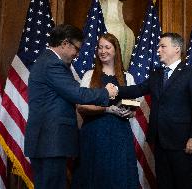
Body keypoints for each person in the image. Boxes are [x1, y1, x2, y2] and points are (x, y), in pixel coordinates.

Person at [24, 24, 117, 189]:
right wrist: (105, 92)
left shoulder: (50, 62)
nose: (76, 54)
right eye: (76, 48)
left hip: (47, 142)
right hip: (50, 142)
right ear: (65, 43)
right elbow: (77, 93)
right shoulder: (52, 64)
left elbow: (74, 89)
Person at [117, 32, 192, 189]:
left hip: (182, 142)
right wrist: (115, 90)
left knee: (183, 184)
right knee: (164, 183)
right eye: (158, 46)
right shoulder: (157, 74)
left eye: (163, 46)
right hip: (159, 140)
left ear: (176, 48)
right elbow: (138, 89)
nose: (158, 50)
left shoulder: (191, 74)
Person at [71, 33, 139, 189]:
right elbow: (81, 106)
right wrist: (108, 109)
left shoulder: (128, 77)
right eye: (100, 47)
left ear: (116, 50)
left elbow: (134, 108)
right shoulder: (89, 75)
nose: (103, 51)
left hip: (120, 135)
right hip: (94, 133)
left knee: (119, 176)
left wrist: (130, 113)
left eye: (107, 47)